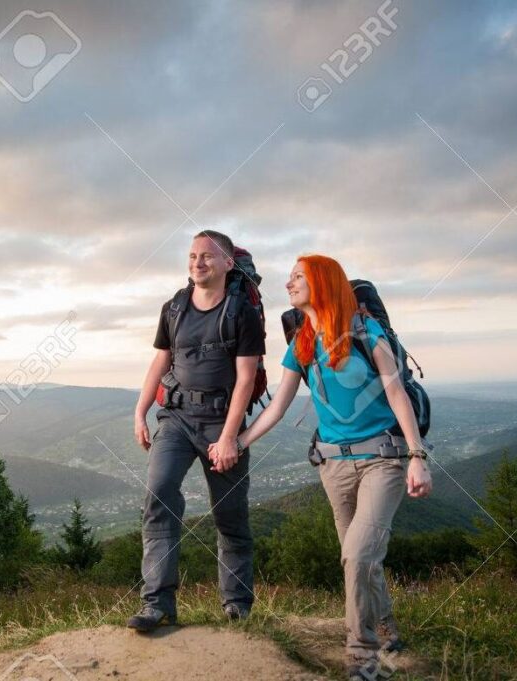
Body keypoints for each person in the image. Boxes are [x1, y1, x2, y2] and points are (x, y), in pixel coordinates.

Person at [211, 254, 432, 679]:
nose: (289, 283)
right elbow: (278, 406)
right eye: (290, 277)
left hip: (382, 461)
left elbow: (399, 396)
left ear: (324, 283)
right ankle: (387, 630)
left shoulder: (367, 333)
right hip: (332, 466)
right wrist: (237, 440)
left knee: (358, 554)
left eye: (299, 277)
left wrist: (418, 457)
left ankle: (362, 658)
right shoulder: (303, 343)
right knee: (358, 559)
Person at [127, 229, 266, 632]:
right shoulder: (174, 307)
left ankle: (237, 606)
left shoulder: (241, 312)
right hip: (175, 418)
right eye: (191, 256)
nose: (197, 263)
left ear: (227, 262)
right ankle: (158, 604)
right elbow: (159, 362)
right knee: (158, 497)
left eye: (207, 256)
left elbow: (246, 378)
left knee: (229, 516)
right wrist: (139, 412)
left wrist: (228, 437)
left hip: (222, 423)